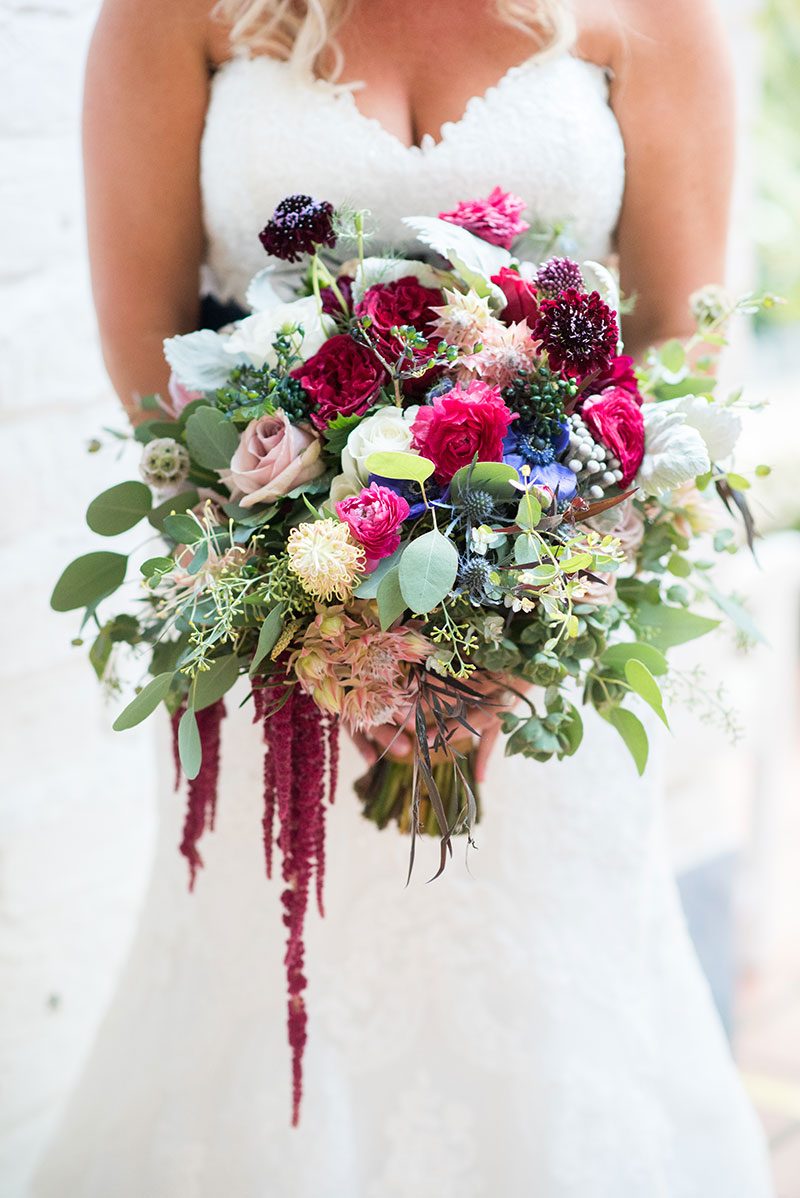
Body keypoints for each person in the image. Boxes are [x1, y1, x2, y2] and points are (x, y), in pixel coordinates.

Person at [33, 1, 775, 1193]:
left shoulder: (648, 15)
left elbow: (676, 369)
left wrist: (509, 630)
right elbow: (150, 365)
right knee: (265, 1013)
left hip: (540, 670)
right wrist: (318, 611)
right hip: (275, 660)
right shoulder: (174, 16)